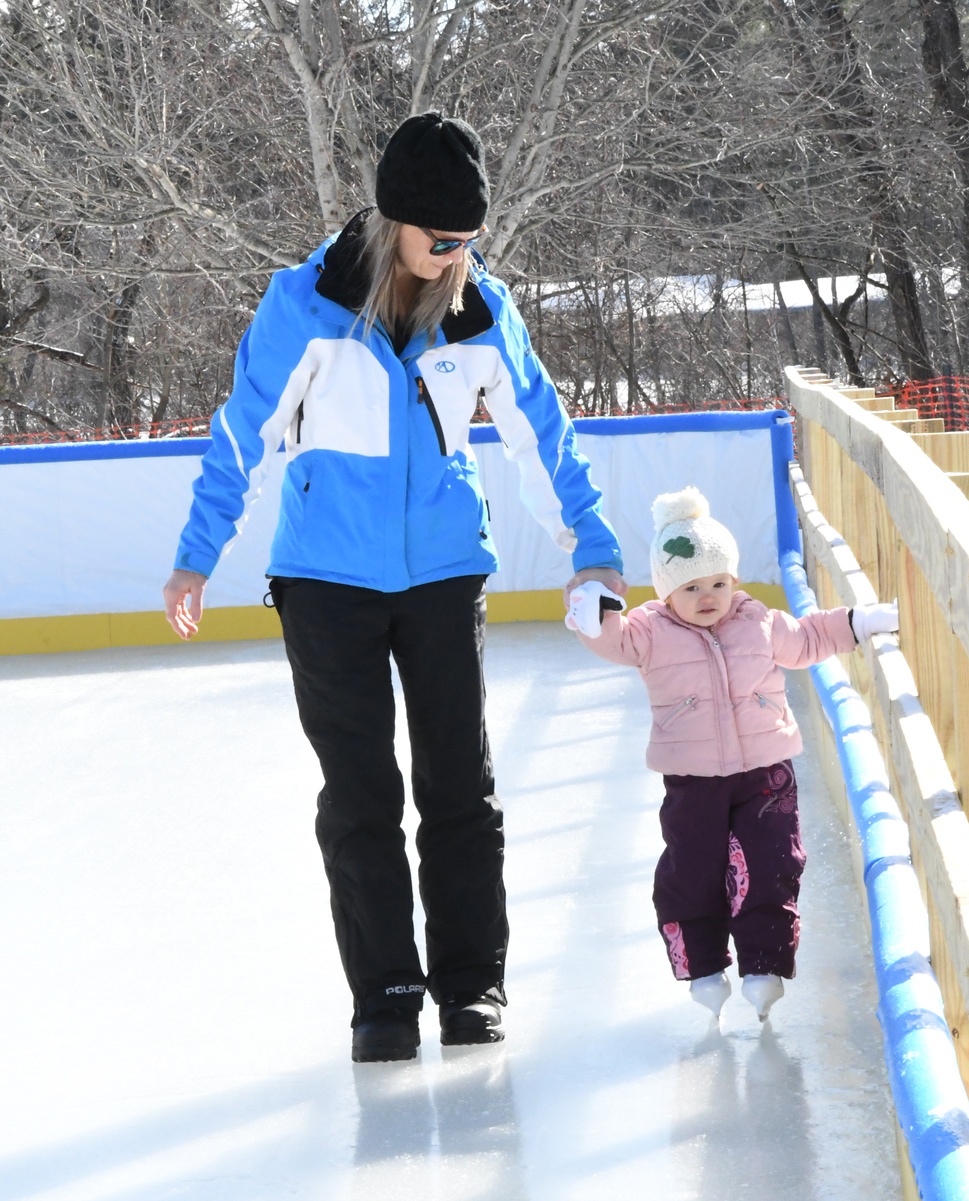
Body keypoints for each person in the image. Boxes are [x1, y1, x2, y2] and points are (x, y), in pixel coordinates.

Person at [162, 112, 626, 1063]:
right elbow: (241, 435)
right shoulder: (304, 306)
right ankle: (383, 995)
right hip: (325, 581)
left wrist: (593, 544)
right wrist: (197, 553)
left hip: (446, 573)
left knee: (460, 785)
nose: (455, 255)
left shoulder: (482, 315)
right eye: (439, 238)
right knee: (362, 792)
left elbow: (545, 435)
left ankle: (472, 986)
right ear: (394, 219)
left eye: (469, 239)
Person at [565, 486, 896, 1021]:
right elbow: (610, 639)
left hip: (766, 773)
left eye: (719, 582)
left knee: (773, 862)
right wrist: (590, 611)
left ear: (734, 580)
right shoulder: (649, 633)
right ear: (667, 590)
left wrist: (858, 624)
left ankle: (764, 963)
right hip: (693, 781)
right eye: (692, 586)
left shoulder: (758, 622)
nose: (708, 596)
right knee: (692, 870)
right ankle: (703, 965)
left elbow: (809, 638)